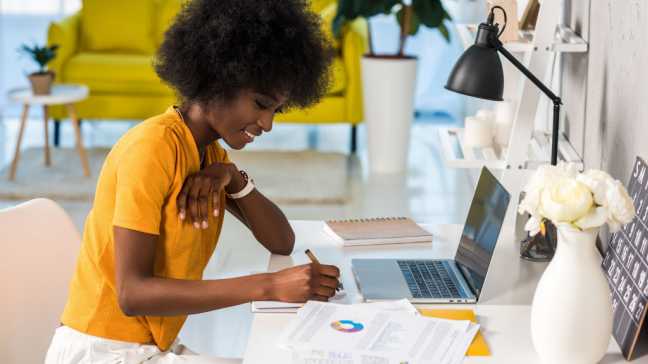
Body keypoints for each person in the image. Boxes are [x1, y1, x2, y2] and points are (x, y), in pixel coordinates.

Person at [45, 0, 337, 362]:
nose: (268, 123)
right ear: (220, 78)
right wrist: (270, 286)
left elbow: (282, 241)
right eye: (261, 104)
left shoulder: (209, 153)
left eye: (275, 110)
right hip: (103, 351)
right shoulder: (152, 149)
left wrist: (233, 179)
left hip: (148, 348)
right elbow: (131, 293)